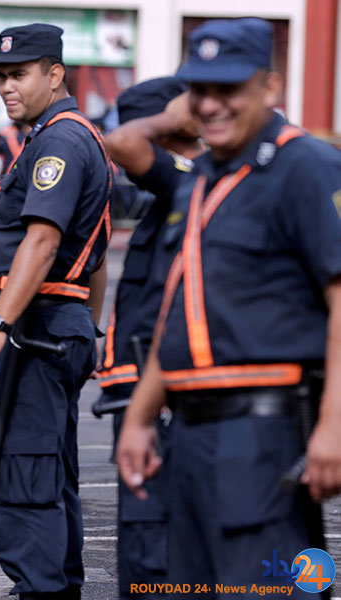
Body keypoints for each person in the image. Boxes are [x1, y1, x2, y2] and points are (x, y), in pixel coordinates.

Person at [115, 18, 341, 592]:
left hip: (266, 433)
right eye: (199, 90)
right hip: (189, 434)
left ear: (270, 87)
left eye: (227, 90)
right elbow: (180, 310)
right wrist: (140, 417)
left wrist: (334, 430)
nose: (210, 106)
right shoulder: (202, 178)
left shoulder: (306, 167)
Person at [0, 24, 112, 600]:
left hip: (37, 329)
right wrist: (92, 328)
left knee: (24, 476)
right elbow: (95, 253)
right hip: (59, 325)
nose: (6, 86)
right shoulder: (64, 136)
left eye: (18, 74)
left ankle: (43, 589)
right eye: (1, 75)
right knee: (50, 474)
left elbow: (44, 243)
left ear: (55, 74)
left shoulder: (59, 142)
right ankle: (56, 586)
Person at [100, 77, 204, 599]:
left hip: (162, 399)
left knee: (153, 548)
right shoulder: (176, 193)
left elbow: (124, 144)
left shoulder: (191, 179)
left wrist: (182, 115)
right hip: (143, 394)